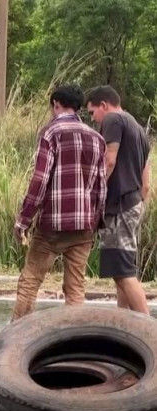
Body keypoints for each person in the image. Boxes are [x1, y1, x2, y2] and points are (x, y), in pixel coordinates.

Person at [11, 85, 107, 321]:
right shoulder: (97, 138)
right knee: (75, 288)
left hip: (52, 226)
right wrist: (95, 222)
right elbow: (101, 187)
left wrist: (23, 220)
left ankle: (15, 337)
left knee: (31, 280)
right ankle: (73, 341)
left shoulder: (51, 133)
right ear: (77, 107)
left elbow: (40, 180)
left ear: (55, 104)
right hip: (83, 226)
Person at [86, 85, 151, 314]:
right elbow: (147, 181)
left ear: (104, 105)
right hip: (134, 203)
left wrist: (93, 192)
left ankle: (148, 330)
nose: (94, 120)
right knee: (121, 270)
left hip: (120, 205)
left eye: (92, 113)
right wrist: (140, 202)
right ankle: (126, 324)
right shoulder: (138, 128)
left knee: (123, 273)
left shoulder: (113, 119)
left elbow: (109, 160)